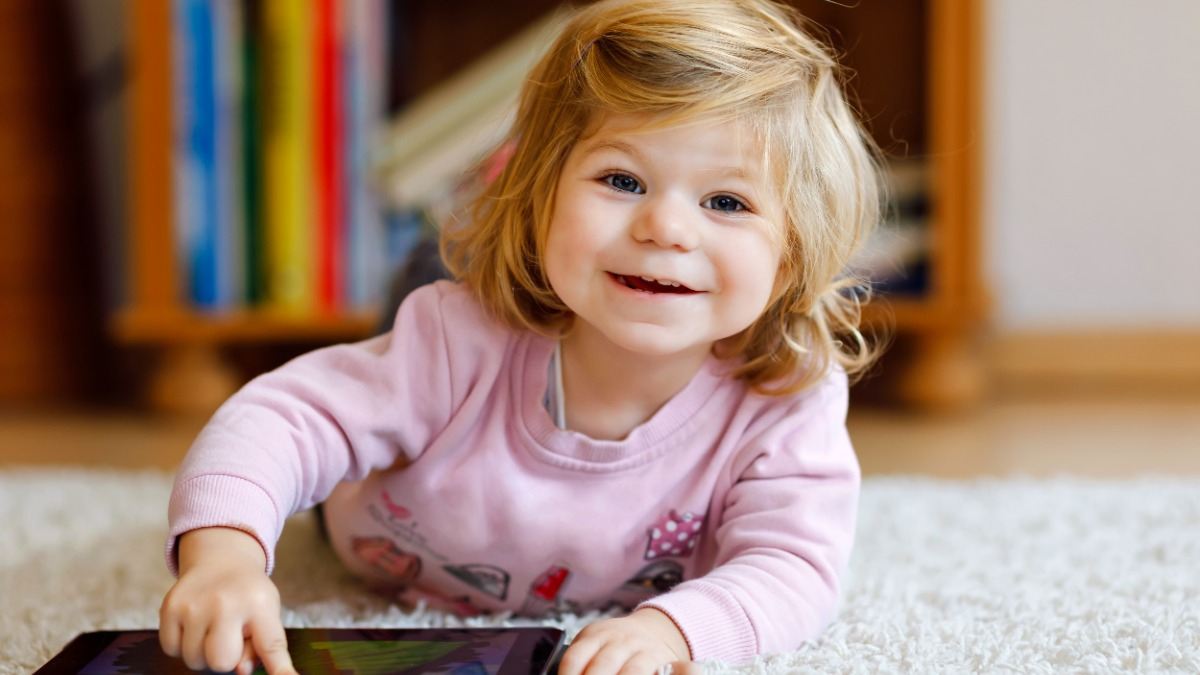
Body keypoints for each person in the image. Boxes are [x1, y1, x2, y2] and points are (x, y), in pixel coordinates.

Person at [158, 0, 884, 673]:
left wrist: (674, 630)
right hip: (403, 471)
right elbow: (279, 418)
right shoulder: (454, 338)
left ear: (792, 251)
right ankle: (452, 243)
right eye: (622, 180)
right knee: (436, 288)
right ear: (541, 198)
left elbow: (793, 567)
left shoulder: (786, 395)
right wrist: (226, 557)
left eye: (726, 201)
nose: (665, 227)